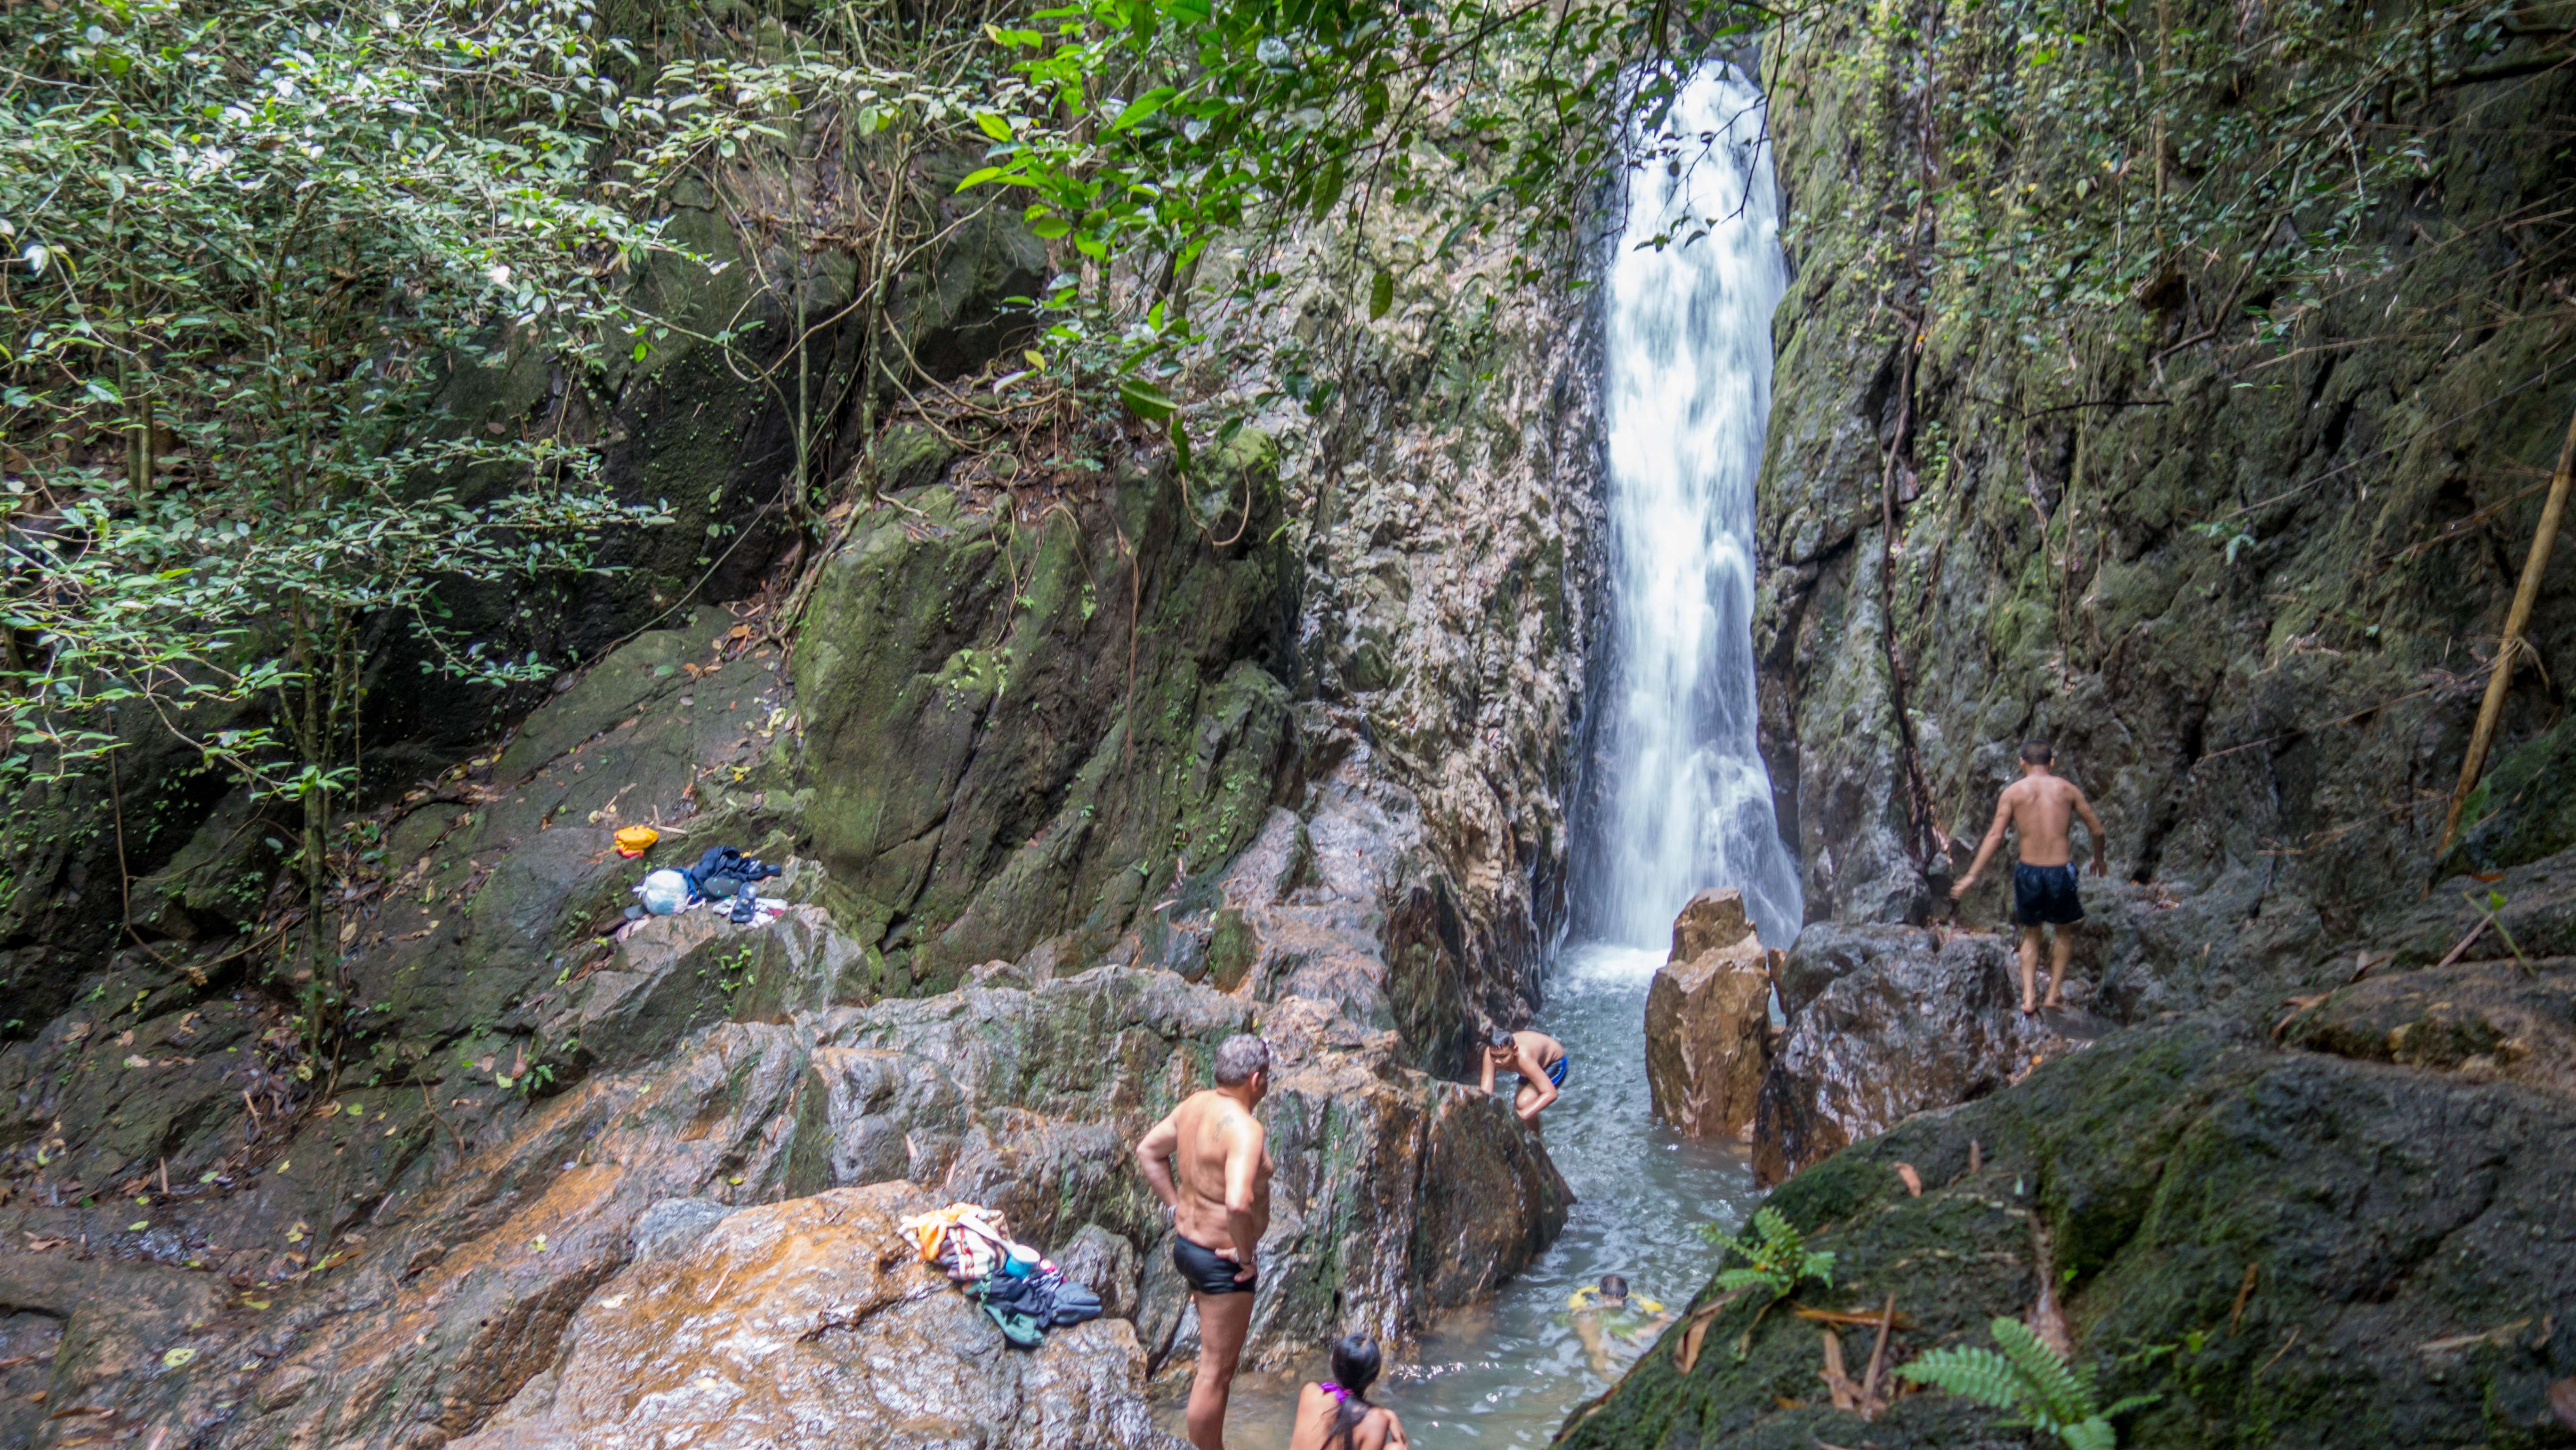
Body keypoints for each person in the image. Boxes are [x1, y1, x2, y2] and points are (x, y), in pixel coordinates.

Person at [1136, 1033, 1276, 1450]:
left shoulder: (1194, 1105)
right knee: (1216, 1371)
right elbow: (1237, 1203)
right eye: (1266, 1077)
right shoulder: (1246, 1129)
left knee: (1212, 1366)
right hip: (1222, 1262)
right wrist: (1246, 1256)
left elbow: (1148, 1151)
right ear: (1256, 1079)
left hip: (1188, 1248)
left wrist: (1177, 1207)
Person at [1950, 739, 2108, 1014]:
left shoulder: (2013, 793)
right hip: (2060, 872)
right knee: (2063, 932)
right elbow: (2098, 830)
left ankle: (2028, 996)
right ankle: (2053, 993)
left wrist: (1971, 875)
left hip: (2029, 872)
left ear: (2022, 762)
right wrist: (2099, 859)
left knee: (2031, 935)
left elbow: (1995, 836)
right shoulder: (2068, 790)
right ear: (2052, 762)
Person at [1288, 1334, 1408, 1450]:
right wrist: (1387, 1416)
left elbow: (1345, 1404)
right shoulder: (1376, 1420)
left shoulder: (1310, 1392)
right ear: (1374, 1378)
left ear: (1332, 1363)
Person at [1566, 1274, 1670, 1377]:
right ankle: (1602, 1359)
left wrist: (1654, 1328)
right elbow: (1575, 1311)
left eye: (1618, 1299)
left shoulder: (1633, 1299)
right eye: (1609, 1298)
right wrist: (1602, 1306)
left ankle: (1625, 1357)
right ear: (1601, 1294)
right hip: (1590, 1319)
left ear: (1625, 1296)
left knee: (1634, 1338)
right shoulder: (1586, 1294)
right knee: (1588, 1324)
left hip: (1614, 1322)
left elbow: (1665, 1315)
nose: (1613, 1302)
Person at [1479, 1028, 1566, 1130]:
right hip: (1530, 1066)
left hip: (1554, 1062)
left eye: (1503, 1057)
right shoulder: (1489, 1054)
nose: (1498, 1061)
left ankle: (1535, 1141)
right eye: (1494, 1056)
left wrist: (1523, 1115)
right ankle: (1531, 1139)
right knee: (1519, 1106)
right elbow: (1486, 1093)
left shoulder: (1524, 1058)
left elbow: (1551, 1094)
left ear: (1515, 1051)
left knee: (1524, 1104)